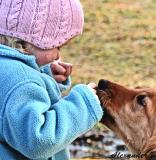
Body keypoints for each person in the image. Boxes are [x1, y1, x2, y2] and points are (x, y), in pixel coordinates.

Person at [0, 0, 103, 159]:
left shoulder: (7, 70)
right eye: (58, 46)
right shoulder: (22, 82)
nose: (57, 56)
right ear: (30, 41)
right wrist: (83, 104)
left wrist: (44, 77)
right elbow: (39, 140)